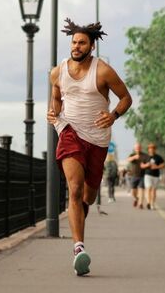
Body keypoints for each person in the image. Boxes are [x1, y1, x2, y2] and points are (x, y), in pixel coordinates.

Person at [47, 18, 132, 276]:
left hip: (97, 139)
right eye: (74, 42)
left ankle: (80, 217)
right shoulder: (57, 72)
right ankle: (79, 249)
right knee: (74, 189)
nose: (76, 46)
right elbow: (56, 98)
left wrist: (113, 115)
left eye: (82, 43)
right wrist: (54, 113)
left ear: (91, 46)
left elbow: (126, 98)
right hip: (69, 131)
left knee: (88, 196)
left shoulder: (103, 71)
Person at [142, 143, 165, 210]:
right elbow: (142, 165)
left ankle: (152, 204)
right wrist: (147, 165)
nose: (151, 149)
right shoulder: (145, 157)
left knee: (154, 190)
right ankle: (148, 202)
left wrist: (157, 167)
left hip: (156, 176)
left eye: (153, 148)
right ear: (148, 149)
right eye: (150, 148)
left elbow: (163, 165)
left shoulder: (158, 157)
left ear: (155, 149)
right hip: (147, 175)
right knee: (149, 188)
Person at [126, 143, 149, 209]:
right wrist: (134, 157)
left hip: (142, 175)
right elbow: (128, 159)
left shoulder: (145, 155)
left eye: (139, 147)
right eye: (136, 148)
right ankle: (136, 199)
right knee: (133, 192)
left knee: (141, 190)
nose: (137, 149)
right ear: (134, 148)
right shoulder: (132, 154)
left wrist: (145, 165)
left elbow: (149, 163)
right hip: (134, 176)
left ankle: (140, 204)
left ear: (141, 148)